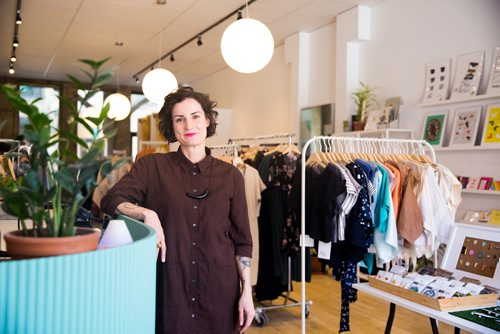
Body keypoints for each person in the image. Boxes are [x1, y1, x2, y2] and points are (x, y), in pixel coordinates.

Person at [101, 87, 255, 334]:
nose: (188, 125)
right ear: (172, 127)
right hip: (170, 292)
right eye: (179, 119)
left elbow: (242, 242)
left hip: (219, 294)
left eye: (195, 116)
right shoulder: (152, 167)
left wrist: (246, 291)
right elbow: (111, 199)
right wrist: (146, 213)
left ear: (207, 120)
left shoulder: (232, 176)